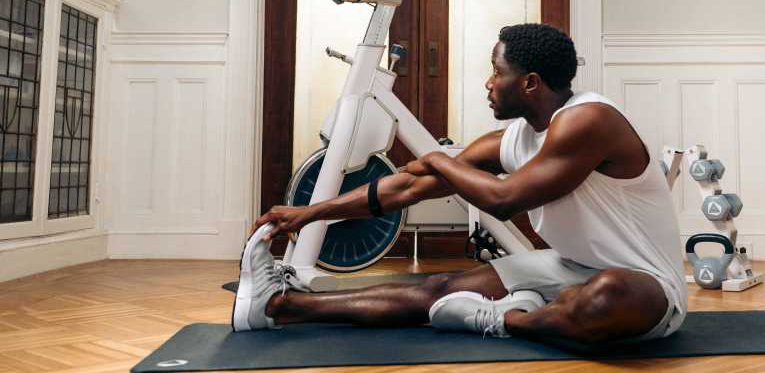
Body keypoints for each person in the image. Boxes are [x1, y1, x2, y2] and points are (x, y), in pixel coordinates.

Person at [233, 23, 687, 346]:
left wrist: (436, 157)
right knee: (439, 288)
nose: (489, 83)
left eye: (497, 71)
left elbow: (504, 200)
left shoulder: (589, 120)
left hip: (646, 287)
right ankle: (279, 306)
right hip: (570, 267)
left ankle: (510, 319)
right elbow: (407, 189)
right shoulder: (515, 138)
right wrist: (310, 214)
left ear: (529, 83)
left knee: (607, 294)